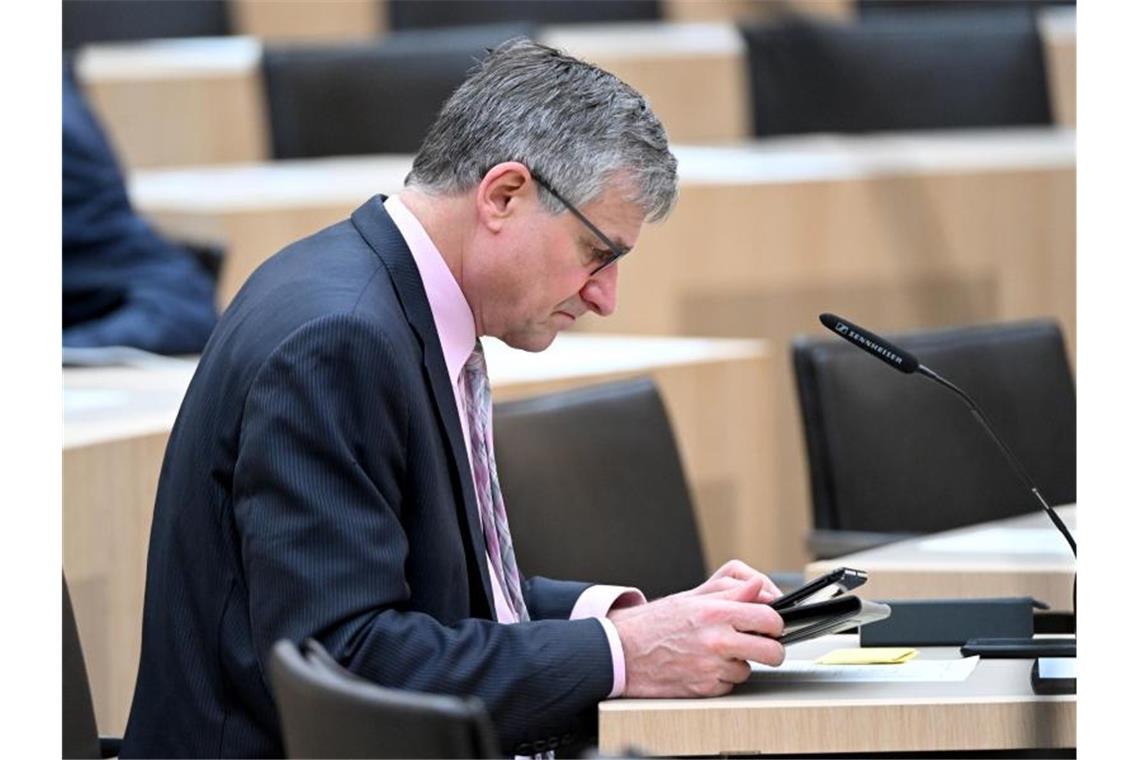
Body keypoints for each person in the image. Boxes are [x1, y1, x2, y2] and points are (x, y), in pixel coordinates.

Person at [120, 39, 785, 758]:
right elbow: (347, 664)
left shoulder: (385, 298)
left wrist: (637, 620)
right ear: (504, 195)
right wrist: (621, 653)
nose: (605, 297)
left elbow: (438, 597)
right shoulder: (338, 339)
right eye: (599, 254)